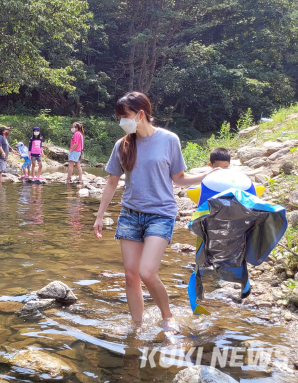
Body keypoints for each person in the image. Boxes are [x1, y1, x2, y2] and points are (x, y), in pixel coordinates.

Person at [92, 92, 218, 334]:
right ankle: (136, 326)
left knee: (147, 272)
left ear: (141, 114)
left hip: (161, 215)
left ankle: (167, 316)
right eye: (119, 117)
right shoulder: (122, 145)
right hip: (130, 214)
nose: (122, 122)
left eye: (125, 116)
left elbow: (179, 179)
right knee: (131, 275)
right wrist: (99, 216)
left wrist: (207, 177)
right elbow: (111, 182)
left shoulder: (169, 140)